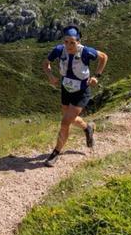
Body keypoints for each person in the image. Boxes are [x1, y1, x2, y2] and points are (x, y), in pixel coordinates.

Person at [41, 25, 108, 167]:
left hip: (81, 91)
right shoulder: (59, 50)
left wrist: (97, 76)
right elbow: (46, 63)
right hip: (66, 89)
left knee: (65, 122)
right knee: (69, 119)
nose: (69, 45)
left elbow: (103, 57)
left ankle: (55, 153)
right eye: (66, 42)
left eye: (72, 42)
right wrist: (50, 76)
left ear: (78, 41)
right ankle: (87, 128)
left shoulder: (86, 52)